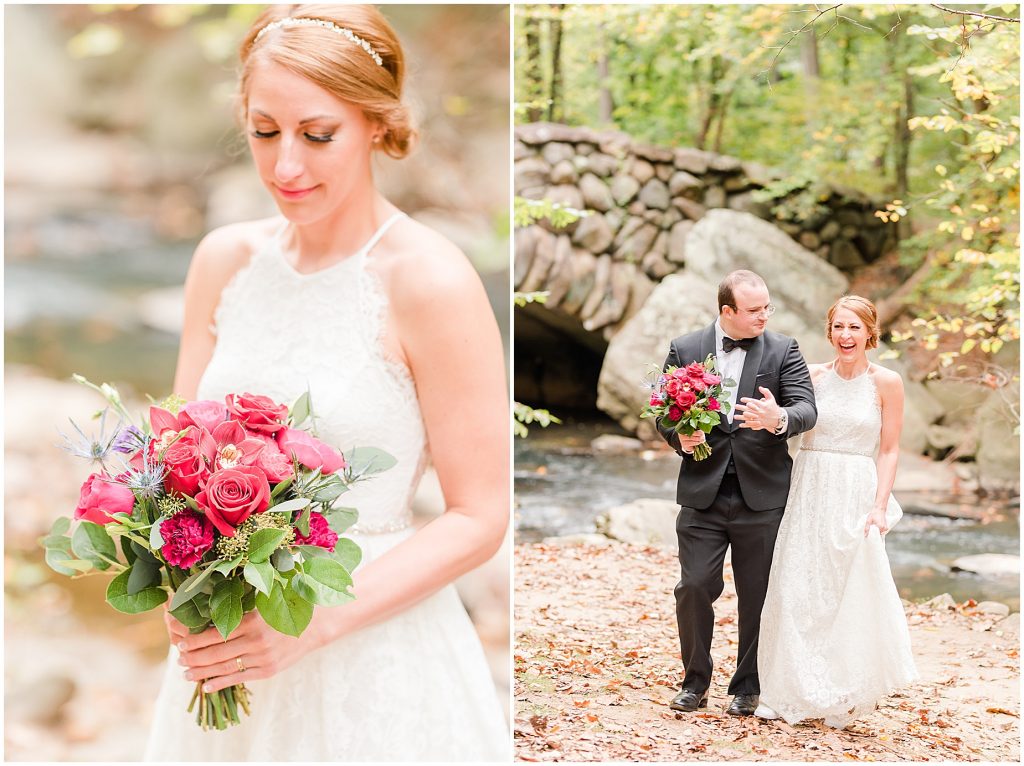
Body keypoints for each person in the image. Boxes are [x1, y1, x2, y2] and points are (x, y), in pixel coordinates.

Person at [143, 5, 509, 760]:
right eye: (264, 130)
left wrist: (309, 624)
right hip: (227, 651)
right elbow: (169, 459)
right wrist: (173, 582)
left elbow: (480, 515)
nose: (286, 167)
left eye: (317, 135)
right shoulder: (223, 260)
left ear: (376, 123)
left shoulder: (430, 281)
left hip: (373, 655)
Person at [658, 269, 817, 717]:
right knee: (693, 587)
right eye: (753, 310)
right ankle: (694, 682)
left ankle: (747, 685)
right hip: (701, 491)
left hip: (762, 493)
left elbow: (807, 408)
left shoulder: (785, 349)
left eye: (767, 307)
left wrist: (778, 418)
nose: (763, 315)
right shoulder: (685, 348)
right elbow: (664, 411)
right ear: (726, 311)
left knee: (758, 593)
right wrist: (677, 437)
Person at [755, 295, 917, 728]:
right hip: (809, 487)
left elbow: (890, 449)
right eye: (839, 327)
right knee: (796, 585)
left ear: (869, 332)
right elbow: (784, 423)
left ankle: (840, 694)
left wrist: (880, 506)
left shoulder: (887, 382)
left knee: (847, 593)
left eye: (855, 327)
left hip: (855, 491)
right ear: (829, 332)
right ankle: (781, 689)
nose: (846, 336)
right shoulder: (811, 377)